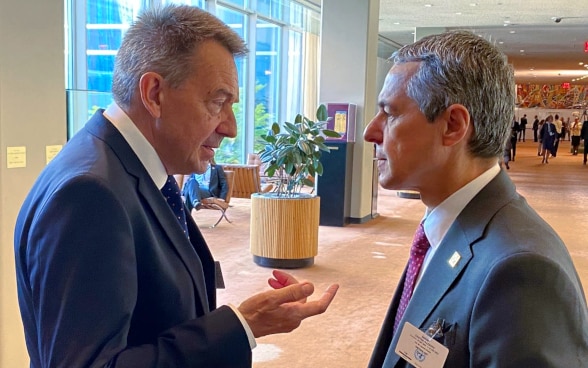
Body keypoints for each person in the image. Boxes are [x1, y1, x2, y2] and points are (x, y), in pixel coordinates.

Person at [14, 5, 338, 367]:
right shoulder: (91, 194)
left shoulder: (133, 169)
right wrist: (242, 326)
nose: (230, 127)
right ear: (154, 94)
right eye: (218, 102)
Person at [364, 30, 588, 367]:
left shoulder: (521, 270)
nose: (371, 131)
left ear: (453, 125)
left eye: (390, 113)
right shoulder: (448, 230)